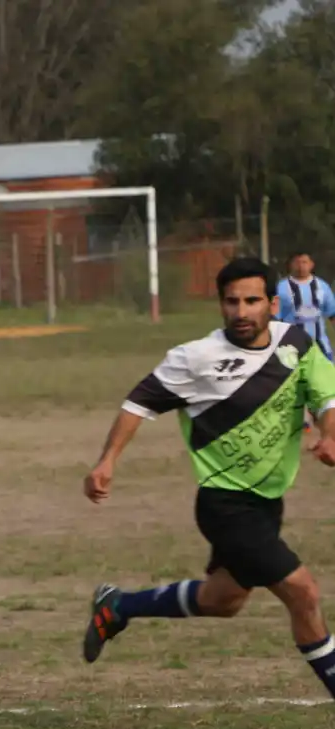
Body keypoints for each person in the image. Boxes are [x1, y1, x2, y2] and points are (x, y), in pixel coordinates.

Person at [81, 257, 335, 703]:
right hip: (225, 504)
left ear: (272, 304)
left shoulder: (296, 344)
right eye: (232, 302)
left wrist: (330, 433)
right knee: (303, 593)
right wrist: (106, 462)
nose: (242, 312)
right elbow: (137, 404)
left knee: (224, 600)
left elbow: (327, 396)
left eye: (252, 301)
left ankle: (119, 606)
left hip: (266, 502)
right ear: (221, 305)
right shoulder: (196, 358)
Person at [275, 250, 335, 361]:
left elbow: (332, 314)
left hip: (320, 346)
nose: (301, 266)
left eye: (304, 262)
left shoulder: (322, 286)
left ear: (311, 264)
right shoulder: (281, 288)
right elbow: (274, 318)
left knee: (324, 377)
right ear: (290, 265)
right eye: (297, 262)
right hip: (290, 347)